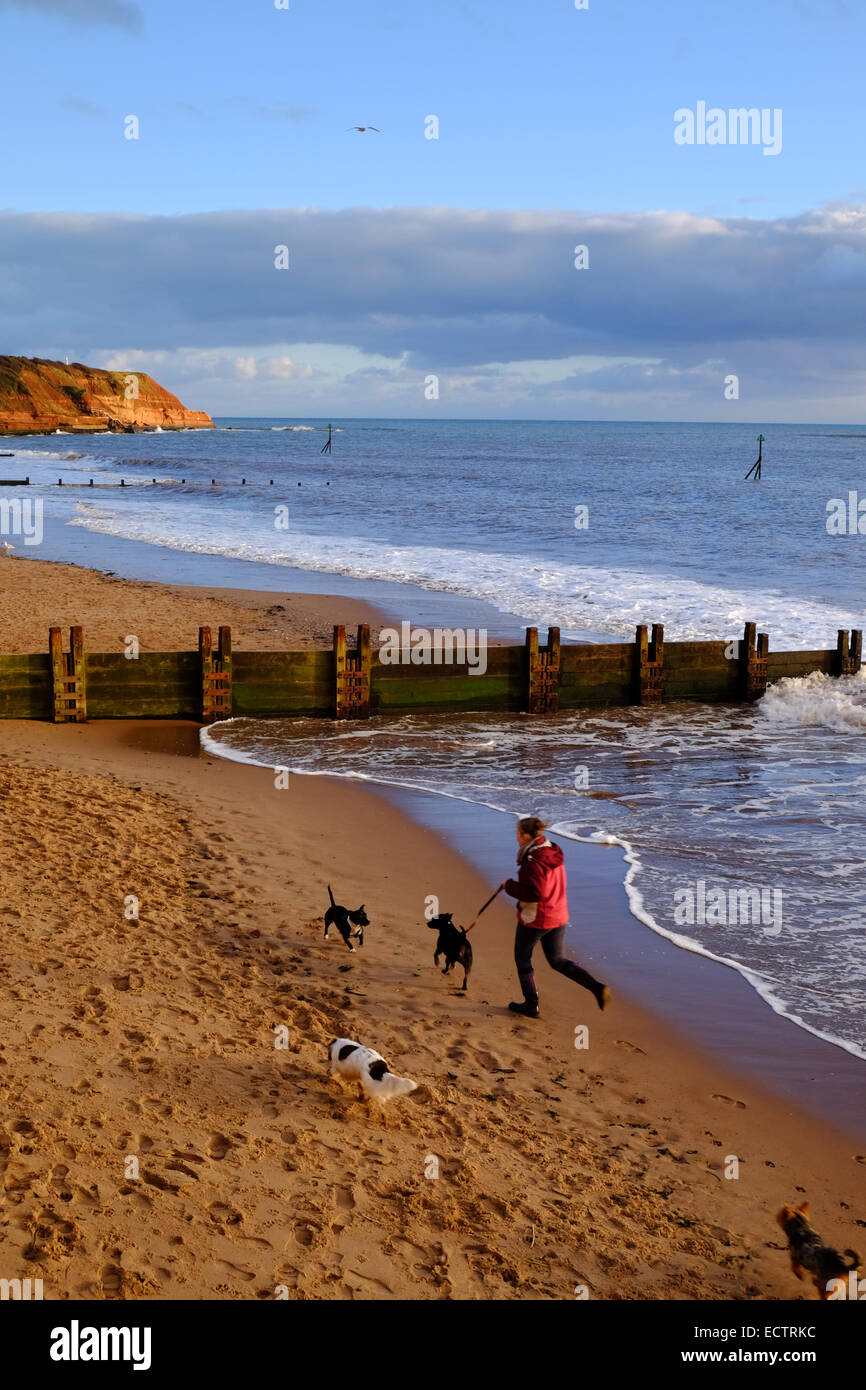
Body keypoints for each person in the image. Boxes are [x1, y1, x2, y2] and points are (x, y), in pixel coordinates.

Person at [501, 816, 610, 1018]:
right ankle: (597, 987)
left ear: (525, 836)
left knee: (522, 958)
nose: (516, 837)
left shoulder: (533, 860)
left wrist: (509, 886)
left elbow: (535, 893)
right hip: (558, 913)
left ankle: (531, 1005)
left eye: (517, 833)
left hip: (537, 917)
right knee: (557, 960)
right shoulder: (551, 849)